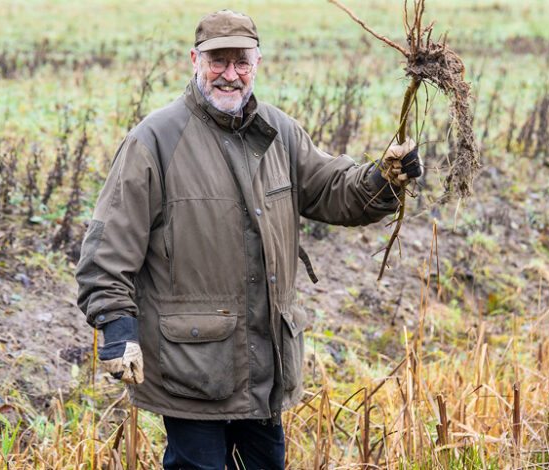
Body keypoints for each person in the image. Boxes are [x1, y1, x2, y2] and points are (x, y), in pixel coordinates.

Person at [75, 9, 421, 470]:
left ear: (257, 64)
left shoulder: (279, 133)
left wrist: (383, 178)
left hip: (264, 365)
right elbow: (106, 250)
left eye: (241, 62)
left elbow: (335, 190)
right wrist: (117, 331)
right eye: (218, 61)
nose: (230, 75)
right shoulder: (153, 141)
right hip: (191, 371)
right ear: (194, 60)